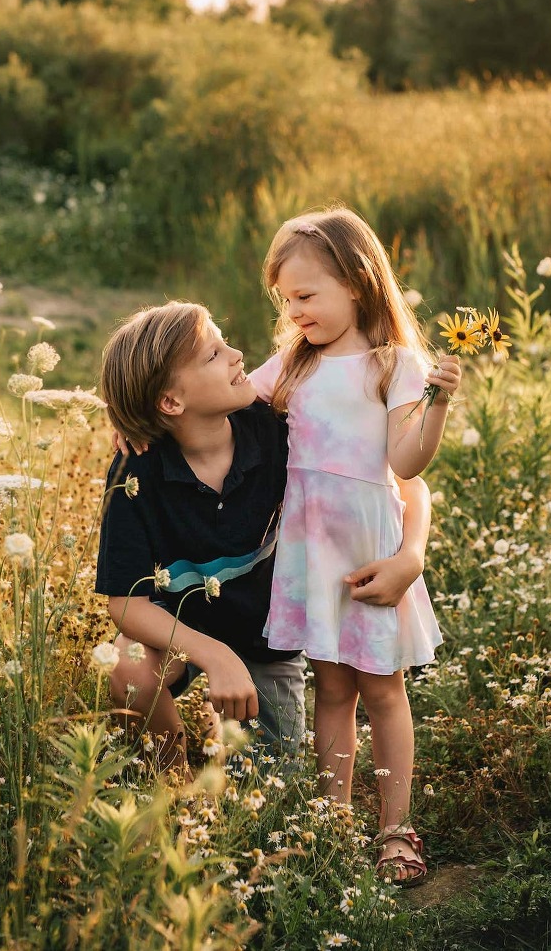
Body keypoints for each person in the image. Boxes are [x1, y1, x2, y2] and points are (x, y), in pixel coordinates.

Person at [94, 300, 433, 773]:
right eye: (213, 355)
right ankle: (172, 787)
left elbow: (402, 485)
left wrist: (411, 556)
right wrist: (214, 657)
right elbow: (125, 605)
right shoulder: (138, 469)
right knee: (129, 673)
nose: (237, 355)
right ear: (170, 402)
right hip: (181, 630)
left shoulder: (275, 427)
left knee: (275, 776)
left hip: (265, 636)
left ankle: (227, 727)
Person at [247, 206, 460, 887]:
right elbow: (222, 400)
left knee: (383, 689)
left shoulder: (394, 365)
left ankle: (396, 828)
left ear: (359, 284)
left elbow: (407, 463)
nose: (297, 312)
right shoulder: (292, 363)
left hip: (369, 549)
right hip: (313, 552)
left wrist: (437, 405)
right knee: (331, 688)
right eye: (288, 300)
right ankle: (333, 822)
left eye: (307, 296)